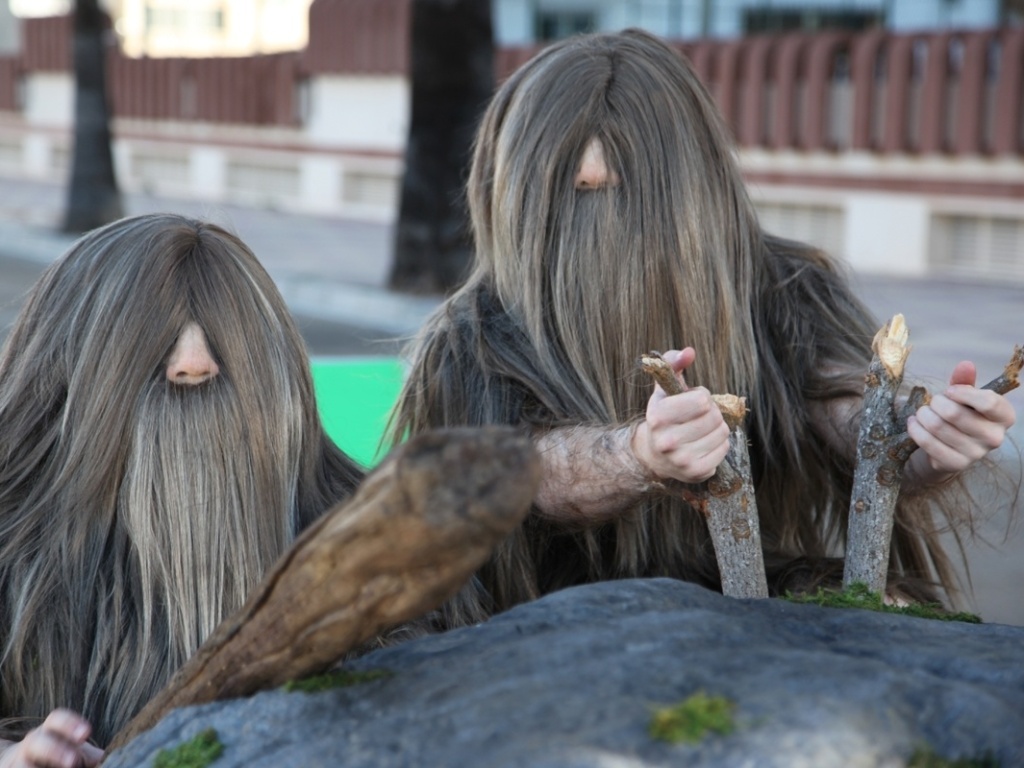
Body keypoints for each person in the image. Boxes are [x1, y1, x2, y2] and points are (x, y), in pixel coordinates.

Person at [389, 29, 1017, 631]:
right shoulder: (470, 337)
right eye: (572, 198)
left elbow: (843, 409)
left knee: (883, 612)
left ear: (690, 190)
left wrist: (924, 441)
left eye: (629, 194)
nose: (600, 228)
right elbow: (509, 467)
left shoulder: (783, 288)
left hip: (747, 591)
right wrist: (636, 455)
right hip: (532, 620)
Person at [0, 214, 364, 767]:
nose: (194, 363)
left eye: (222, 335)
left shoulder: (377, 549)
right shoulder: (11, 545)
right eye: (153, 338)